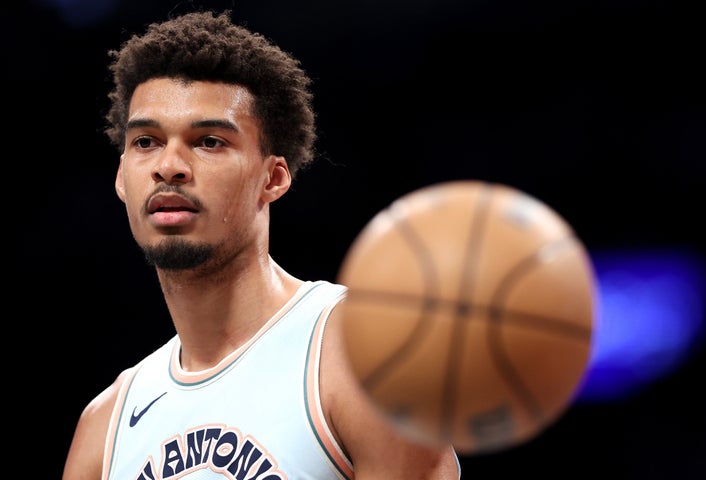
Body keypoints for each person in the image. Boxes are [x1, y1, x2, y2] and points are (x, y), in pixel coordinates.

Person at [62, 9, 461, 480]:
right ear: (121, 179)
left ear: (273, 178)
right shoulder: (103, 429)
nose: (168, 166)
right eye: (146, 141)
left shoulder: (362, 351)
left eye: (208, 141)